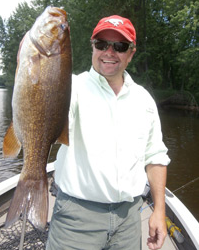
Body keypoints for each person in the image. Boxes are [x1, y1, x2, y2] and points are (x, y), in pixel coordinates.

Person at [46, 15, 170, 250]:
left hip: (130, 219)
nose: (109, 52)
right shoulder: (71, 87)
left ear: (131, 53)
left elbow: (155, 157)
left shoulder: (144, 99)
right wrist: (34, 57)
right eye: (102, 44)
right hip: (76, 219)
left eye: (120, 46)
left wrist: (159, 212)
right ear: (92, 47)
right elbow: (45, 111)